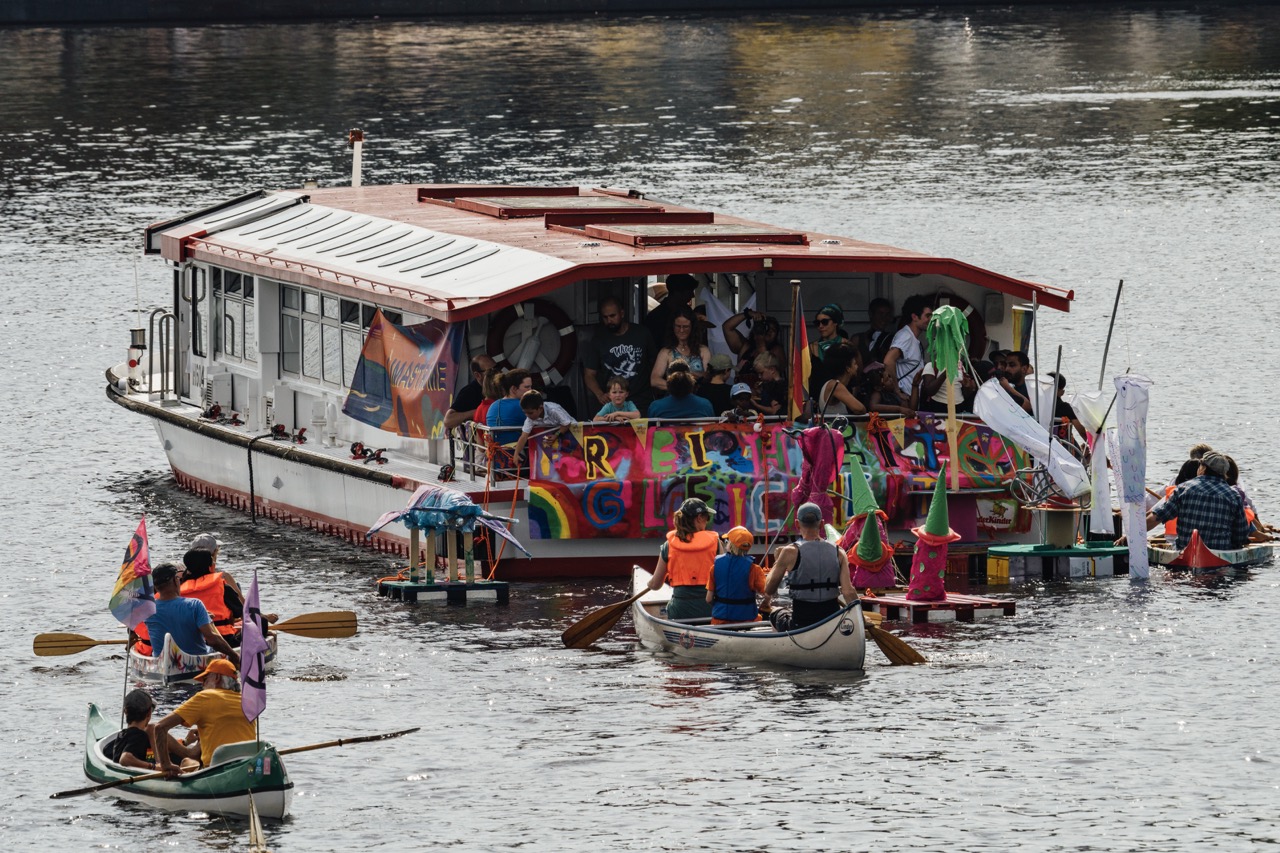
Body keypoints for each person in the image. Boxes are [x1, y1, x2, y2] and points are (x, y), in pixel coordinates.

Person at [1118, 451, 1247, 552]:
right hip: (1220, 552)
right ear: (1224, 473)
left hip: (1185, 551)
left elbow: (1155, 518)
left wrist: (1130, 536)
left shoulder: (1183, 489)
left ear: (1202, 468)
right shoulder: (1233, 495)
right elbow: (1241, 535)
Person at [765, 502, 857, 631]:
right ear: (822, 524)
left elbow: (769, 589)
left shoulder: (789, 552)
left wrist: (777, 561)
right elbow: (848, 592)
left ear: (797, 524)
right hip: (831, 621)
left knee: (775, 612)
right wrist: (861, 619)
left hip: (801, 623)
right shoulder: (839, 552)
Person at [152, 659, 256, 773]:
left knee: (186, 762)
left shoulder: (206, 697)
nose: (202, 684)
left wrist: (166, 765)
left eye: (205, 679)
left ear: (217, 678)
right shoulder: (249, 701)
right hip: (248, 767)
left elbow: (160, 727)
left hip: (215, 771)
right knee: (188, 761)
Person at [143, 563, 240, 665]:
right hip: (194, 664)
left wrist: (203, 616)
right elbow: (213, 640)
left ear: (155, 586)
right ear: (175, 580)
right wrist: (234, 655)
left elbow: (169, 617)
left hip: (161, 664)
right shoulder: (194, 605)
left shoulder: (147, 609)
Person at [648, 497, 719, 621]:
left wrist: (649, 584)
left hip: (680, 611)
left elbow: (655, 585)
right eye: (707, 517)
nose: (707, 522)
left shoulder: (668, 545)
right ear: (699, 518)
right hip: (710, 609)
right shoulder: (716, 543)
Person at [583, 296, 657, 415]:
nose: (609, 321)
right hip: (613, 404)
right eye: (605, 317)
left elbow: (655, 364)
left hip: (641, 401)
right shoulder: (598, 340)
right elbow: (589, 374)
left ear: (622, 313)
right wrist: (600, 394)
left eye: (612, 316)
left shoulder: (642, 333)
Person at [109, 689, 200, 772]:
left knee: (152, 728)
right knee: (188, 762)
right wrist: (153, 767)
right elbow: (125, 759)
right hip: (142, 774)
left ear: (125, 712)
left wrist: (185, 742)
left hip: (128, 769)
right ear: (149, 713)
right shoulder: (140, 736)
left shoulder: (122, 735)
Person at [180, 546, 244, 647]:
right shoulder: (222, 587)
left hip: (192, 642)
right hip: (225, 639)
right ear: (210, 566)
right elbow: (244, 615)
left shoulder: (179, 590)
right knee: (261, 622)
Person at [705, 526, 769, 624]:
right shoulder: (755, 569)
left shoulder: (715, 567)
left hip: (720, 621)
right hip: (747, 620)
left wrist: (720, 607)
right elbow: (767, 594)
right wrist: (764, 605)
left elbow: (708, 599)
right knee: (759, 617)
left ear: (730, 544)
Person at [650, 306, 712, 391]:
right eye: (678, 326)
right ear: (673, 327)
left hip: (698, 396)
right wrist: (678, 388)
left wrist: (692, 375)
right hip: (674, 397)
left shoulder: (703, 350)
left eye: (685, 327)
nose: (681, 330)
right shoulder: (666, 352)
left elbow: (708, 377)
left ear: (692, 327)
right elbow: (654, 380)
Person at [882, 295, 932, 397]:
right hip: (905, 398)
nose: (930, 319)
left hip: (911, 398)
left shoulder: (912, 338)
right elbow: (888, 361)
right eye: (927, 316)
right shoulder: (906, 336)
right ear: (914, 317)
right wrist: (897, 391)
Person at [722, 308, 786, 386]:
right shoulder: (745, 346)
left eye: (774, 330)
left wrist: (760, 340)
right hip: (742, 390)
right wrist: (747, 314)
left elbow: (766, 363)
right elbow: (727, 327)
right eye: (767, 328)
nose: (770, 331)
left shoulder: (777, 350)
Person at [513, 389, 574, 459]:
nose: (527, 415)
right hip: (556, 441)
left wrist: (556, 435)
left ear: (540, 408)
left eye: (530, 413)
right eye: (525, 412)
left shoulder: (553, 410)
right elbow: (524, 436)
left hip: (572, 434)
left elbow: (566, 424)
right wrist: (516, 454)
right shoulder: (530, 418)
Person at [806, 303, 849, 404]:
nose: (820, 326)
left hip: (842, 400)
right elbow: (806, 377)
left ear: (835, 322)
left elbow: (855, 374)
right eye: (817, 323)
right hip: (817, 400)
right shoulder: (811, 347)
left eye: (825, 322)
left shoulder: (847, 345)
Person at [442, 355, 497, 431]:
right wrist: (479, 411)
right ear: (477, 375)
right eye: (490, 371)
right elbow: (448, 421)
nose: (496, 373)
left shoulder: (503, 384)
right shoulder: (469, 392)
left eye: (497, 368)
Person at [643, 273, 698, 345]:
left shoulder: (688, 311)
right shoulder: (655, 318)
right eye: (689, 291)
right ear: (677, 292)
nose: (692, 295)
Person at [816, 342, 867, 417]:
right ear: (848, 368)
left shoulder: (832, 384)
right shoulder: (835, 385)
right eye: (855, 363)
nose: (857, 367)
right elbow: (859, 409)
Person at [484, 368, 533, 446]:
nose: (531, 390)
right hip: (518, 451)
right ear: (514, 389)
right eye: (527, 387)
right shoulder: (522, 406)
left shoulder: (493, 405)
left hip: (496, 451)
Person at [647, 370, 714, 420]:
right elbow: (712, 427)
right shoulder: (705, 405)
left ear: (669, 386)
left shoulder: (656, 406)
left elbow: (650, 428)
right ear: (691, 386)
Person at [860, 297, 896, 364]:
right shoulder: (858, 339)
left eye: (887, 314)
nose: (884, 318)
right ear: (871, 314)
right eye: (880, 313)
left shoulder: (893, 339)